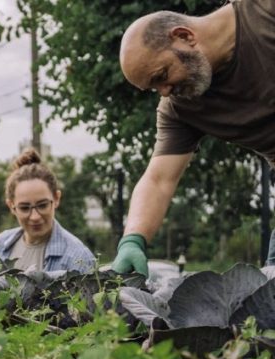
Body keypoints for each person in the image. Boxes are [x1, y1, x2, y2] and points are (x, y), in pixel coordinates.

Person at [113, 0, 275, 275]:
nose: (164, 91)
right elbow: (158, 180)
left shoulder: (264, 11)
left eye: (162, 76)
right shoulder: (180, 108)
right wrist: (132, 240)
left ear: (185, 36)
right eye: (154, 88)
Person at [0, 149, 96, 273]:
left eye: (42, 205)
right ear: (11, 206)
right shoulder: (2, 244)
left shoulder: (78, 258)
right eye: (25, 208)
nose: (35, 217)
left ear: (56, 198)